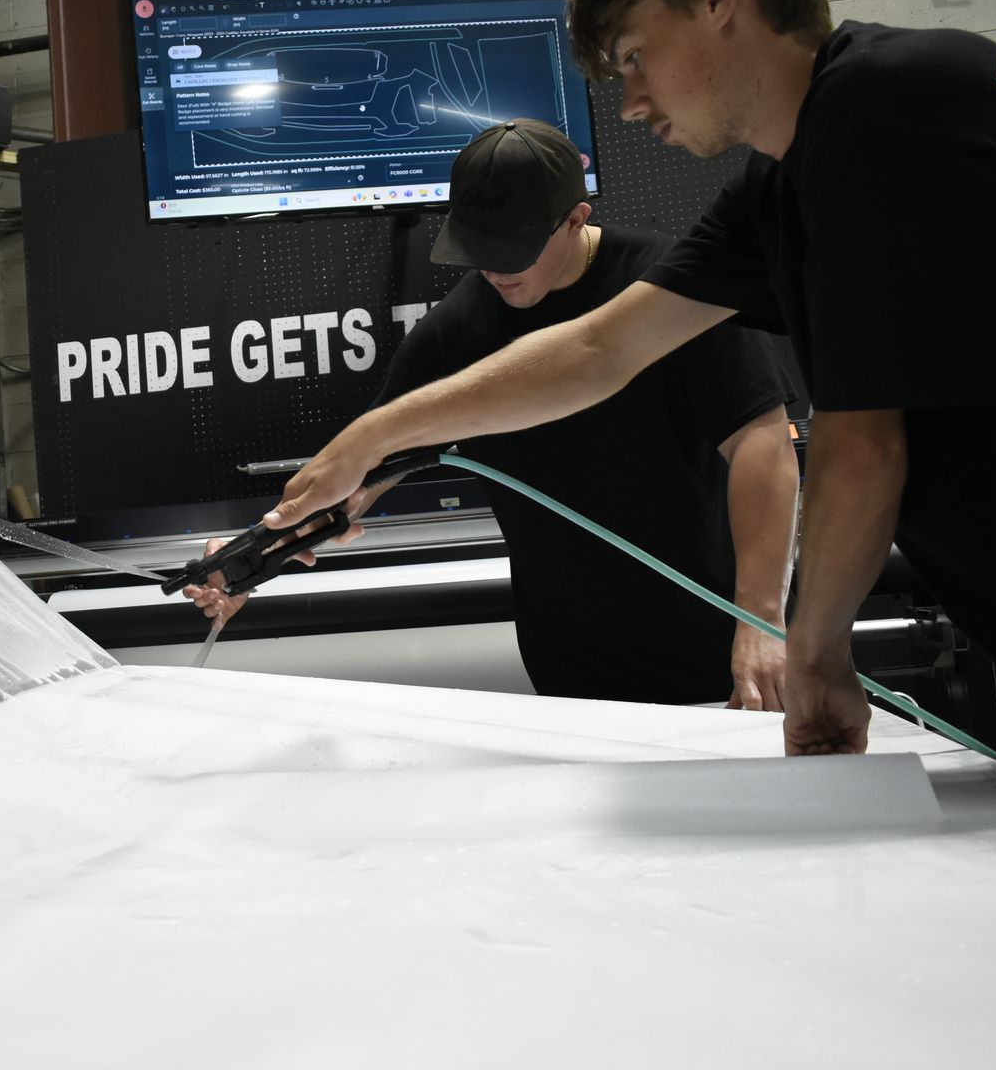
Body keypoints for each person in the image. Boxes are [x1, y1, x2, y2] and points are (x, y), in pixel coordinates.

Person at [265, 0, 996, 819]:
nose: (633, 104)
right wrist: (374, 437)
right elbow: (600, 348)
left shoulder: (889, 117)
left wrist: (807, 656)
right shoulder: (791, 176)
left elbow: (862, 443)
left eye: (636, 58)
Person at [187, 120, 799, 709]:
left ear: (577, 219)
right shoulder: (454, 335)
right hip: (572, 680)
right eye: (479, 247)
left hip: (722, 660)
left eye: (515, 249)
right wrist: (248, 556)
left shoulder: (669, 293)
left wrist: (762, 618)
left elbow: (762, 442)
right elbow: (354, 480)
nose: (495, 268)